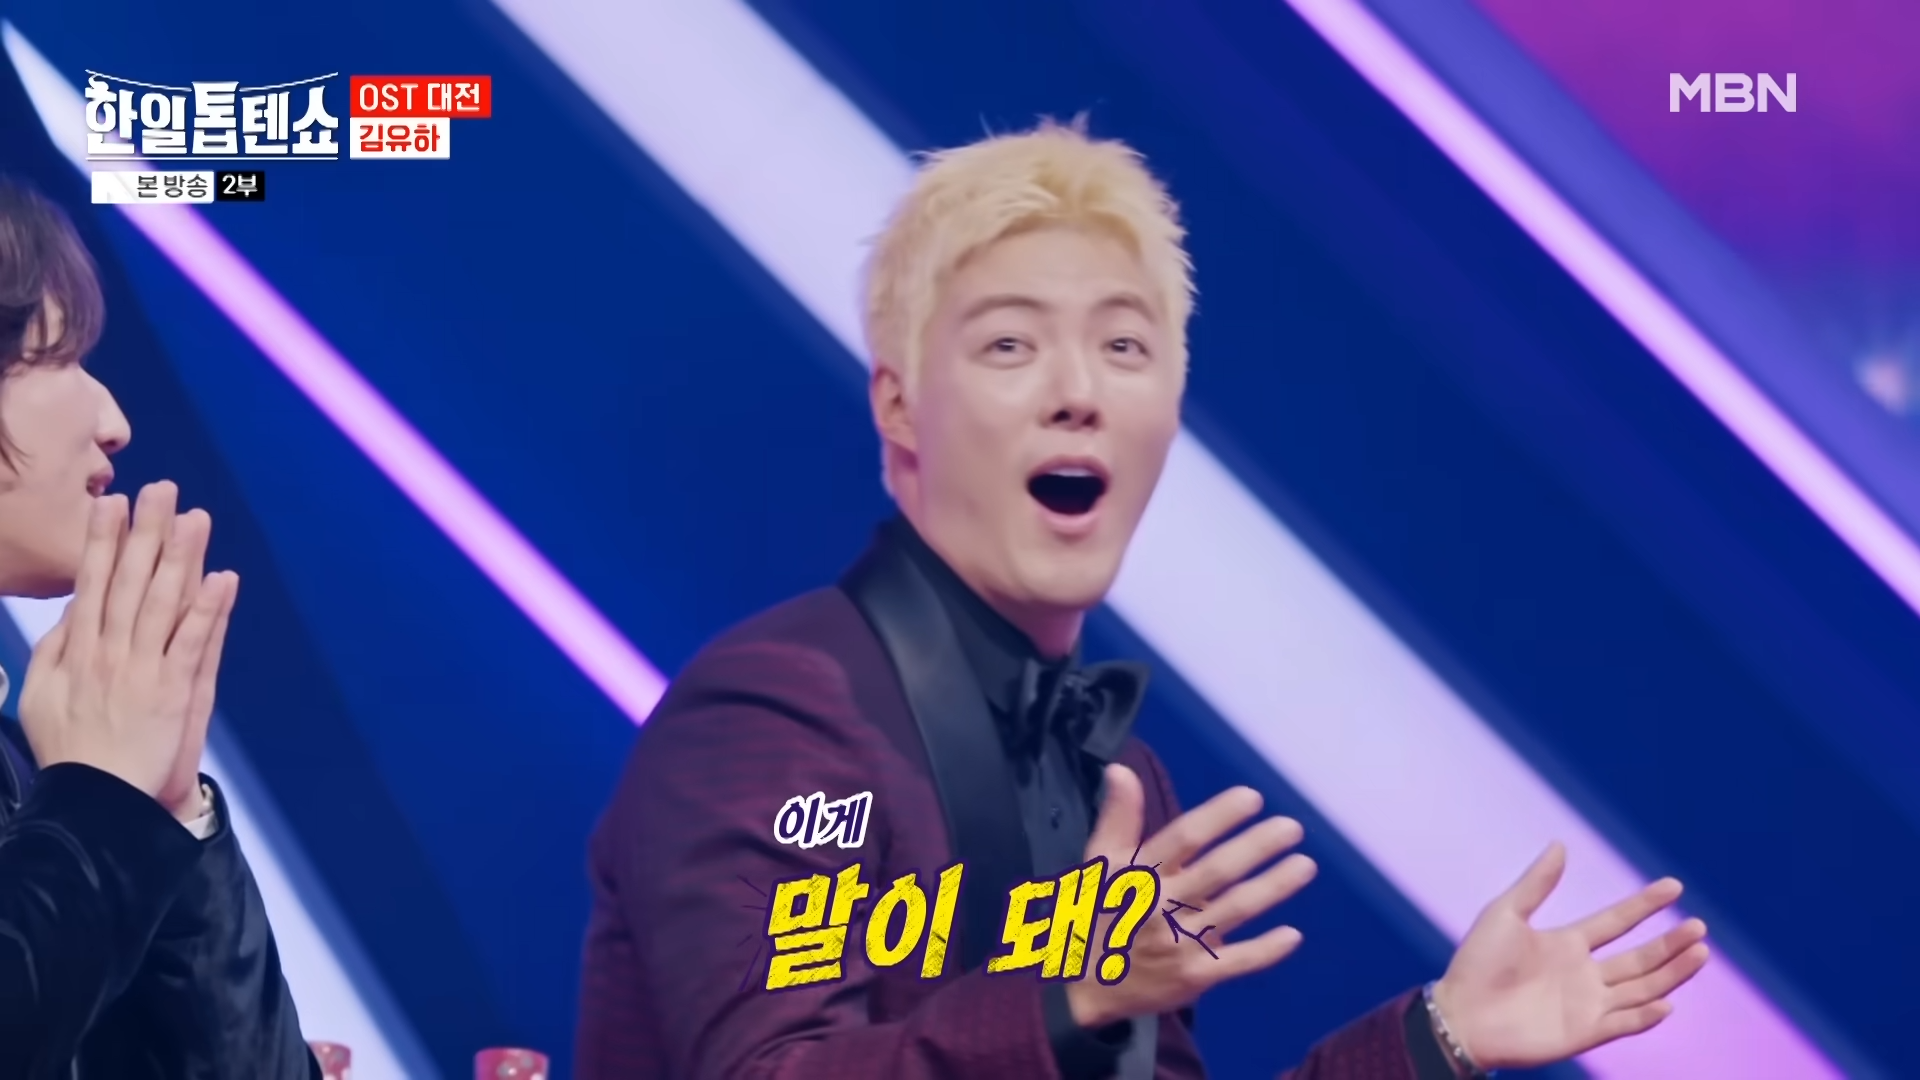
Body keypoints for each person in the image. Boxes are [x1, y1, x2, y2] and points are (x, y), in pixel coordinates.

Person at [574, 121, 1710, 1079]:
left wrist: (1439, 1038)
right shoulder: (784, 713)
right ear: (901, 406)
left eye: (1123, 344)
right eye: (1010, 344)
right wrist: (1067, 998)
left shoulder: (1119, 778)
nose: (1078, 391)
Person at [0, 178, 319, 1078]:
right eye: (60, 357)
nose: (115, 423)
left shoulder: (30, 765)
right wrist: (101, 803)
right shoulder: (72, 792)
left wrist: (169, 810)